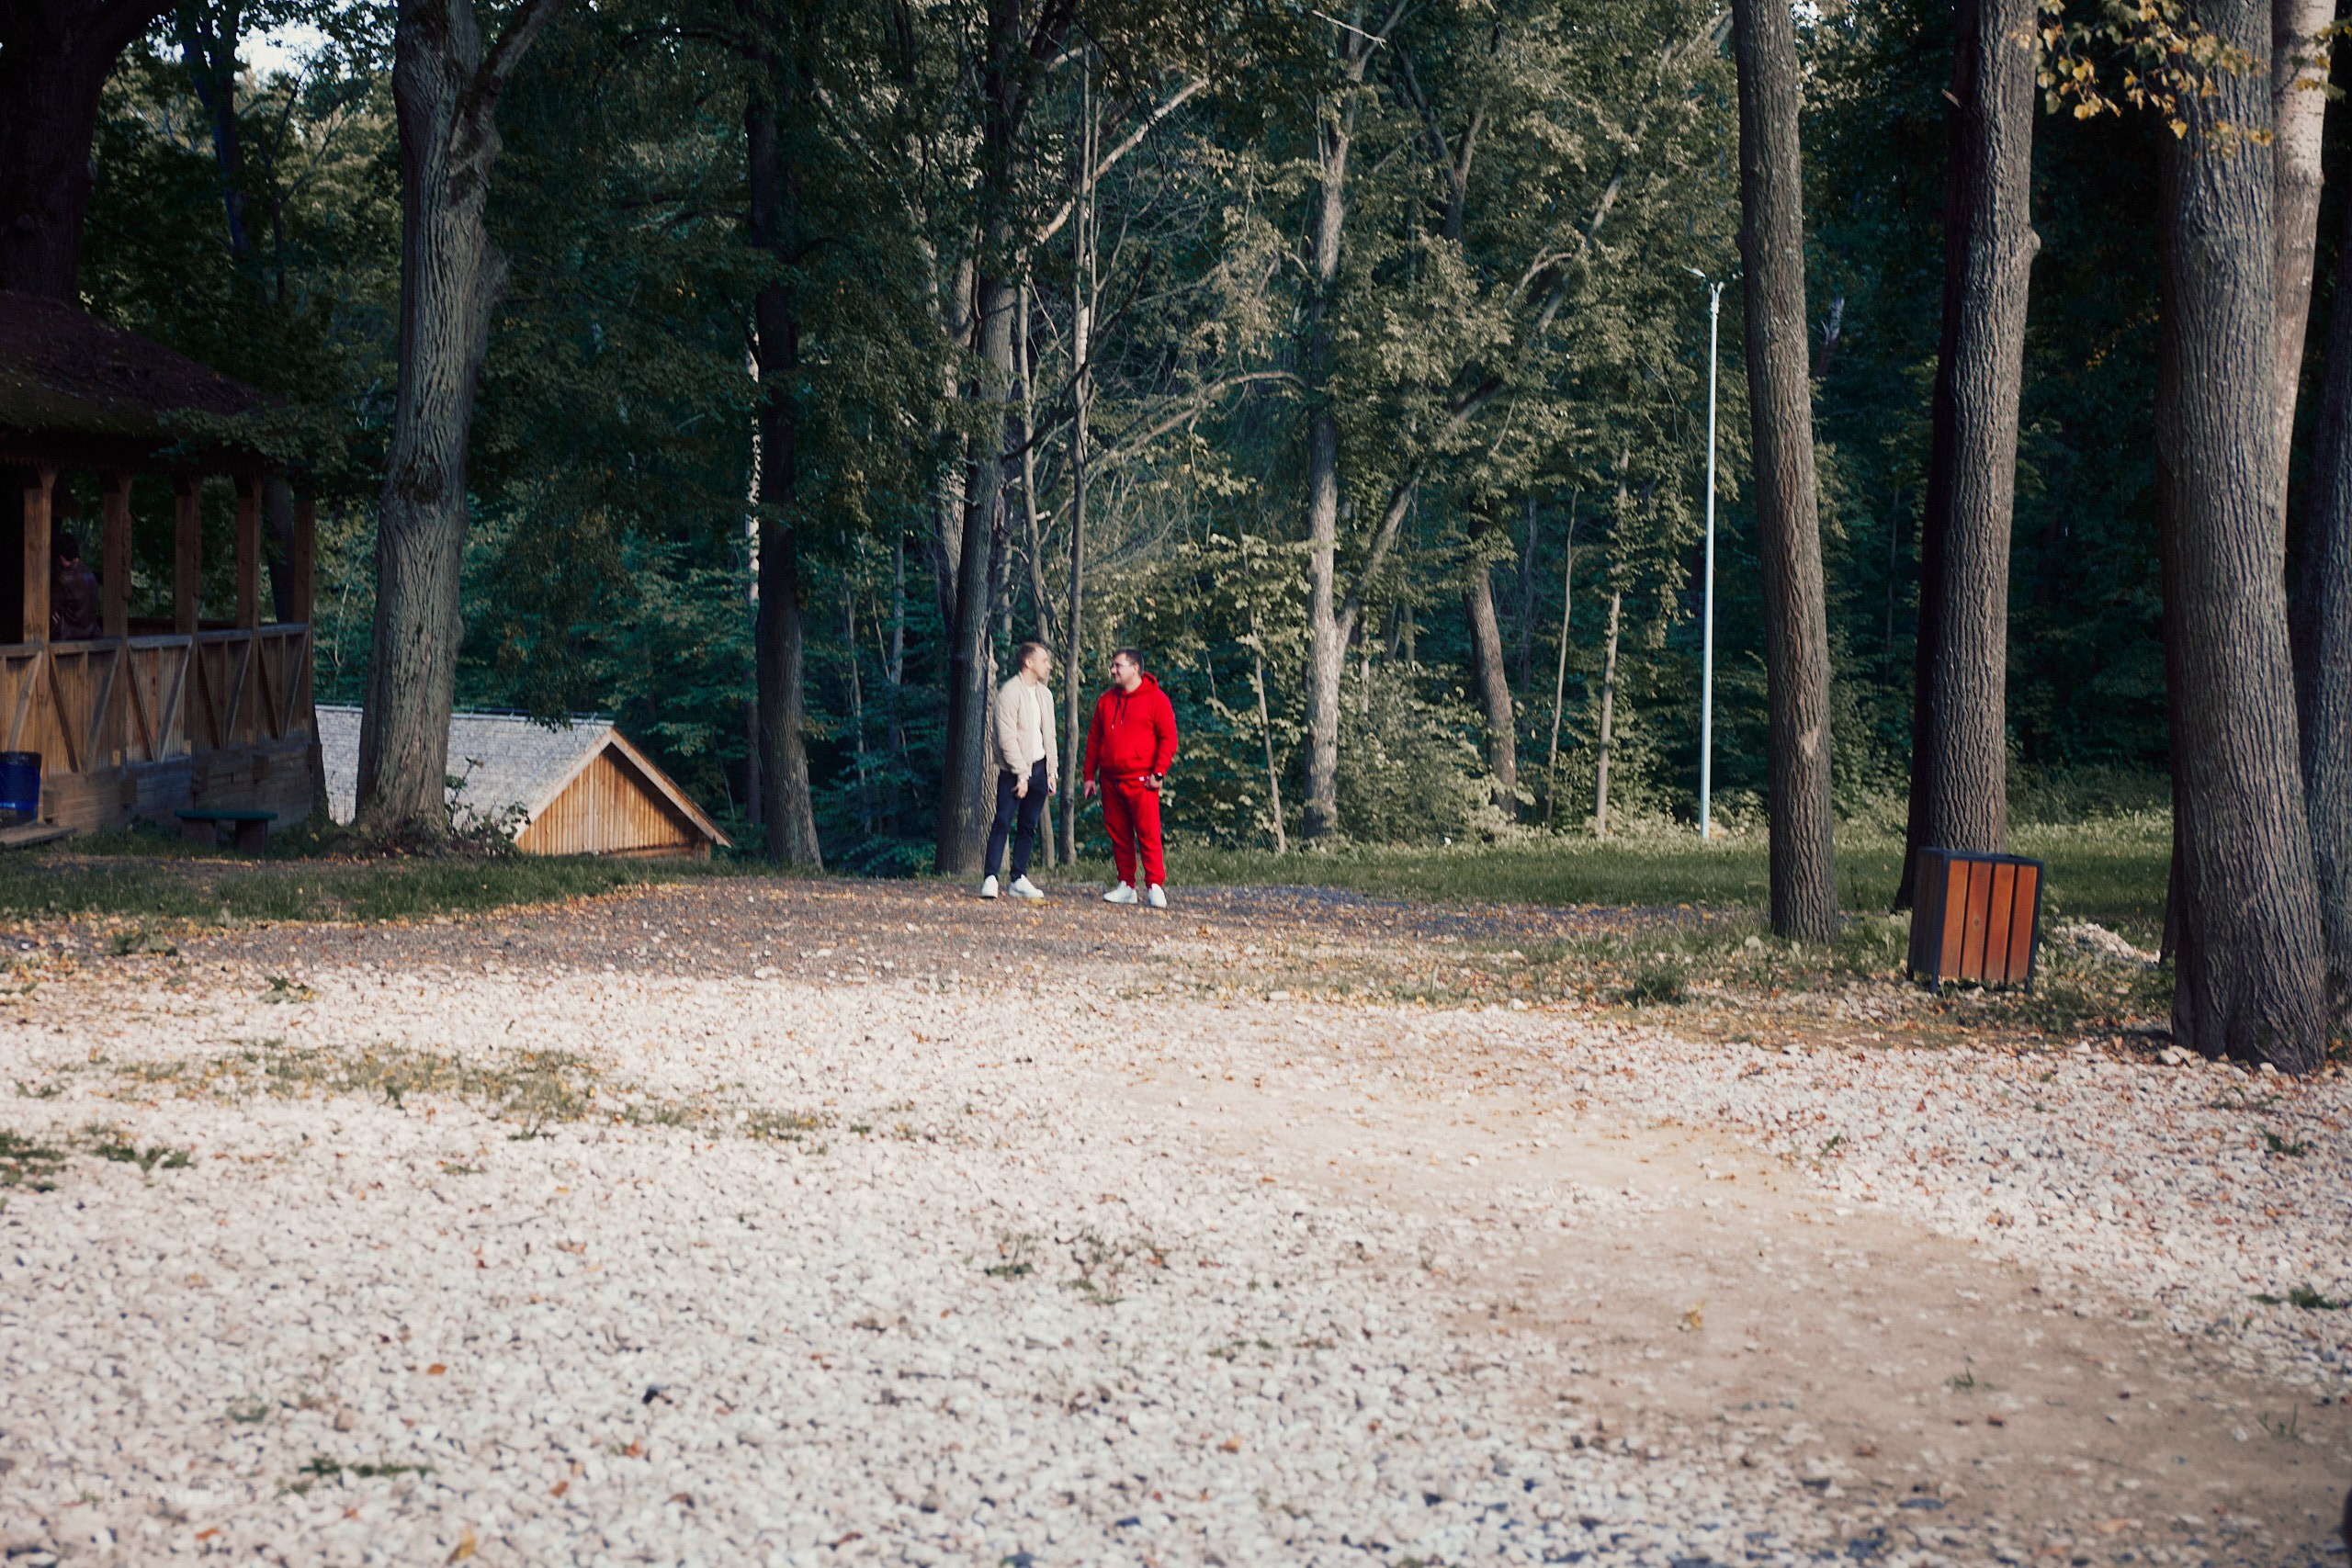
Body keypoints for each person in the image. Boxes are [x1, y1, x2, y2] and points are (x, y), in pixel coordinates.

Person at [1081, 647, 1178, 908]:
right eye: (1113, 666)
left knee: (1148, 834)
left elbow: (1169, 739)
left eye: (1117, 665)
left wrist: (1159, 772)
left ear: (1134, 668)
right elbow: (1094, 739)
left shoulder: (1156, 699)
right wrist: (1089, 775)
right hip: (1110, 779)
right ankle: (1126, 885)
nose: (1113, 670)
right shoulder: (1106, 701)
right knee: (1119, 835)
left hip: (1142, 780)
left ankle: (1155, 885)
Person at [980, 641, 1057, 900]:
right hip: (1014, 770)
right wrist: (1021, 775)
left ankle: (1018, 878)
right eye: (1044, 660)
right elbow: (1007, 738)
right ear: (1029, 662)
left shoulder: (1045, 695)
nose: (1048, 665)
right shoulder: (1009, 693)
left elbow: (1050, 735)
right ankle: (991, 878)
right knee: (1003, 820)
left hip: (1040, 767)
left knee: (1028, 825)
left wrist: (1051, 771)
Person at [50, 534, 100, 641]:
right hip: (92, 635)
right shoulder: (90, 575)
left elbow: (51, 607)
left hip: (69, 637)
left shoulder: (63, 580)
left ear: (61, 558)